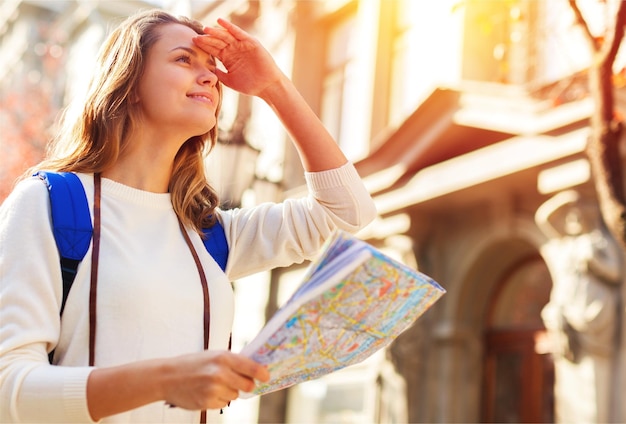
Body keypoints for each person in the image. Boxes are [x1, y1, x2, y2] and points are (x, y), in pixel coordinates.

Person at [0, 9, 377, 424]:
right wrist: (165, 380)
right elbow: (9, 388)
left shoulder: (211, 234)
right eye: (184, 59)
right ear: (130, 82)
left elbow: (348, 211)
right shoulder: (49, 203)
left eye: (212, 67)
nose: (211, 77)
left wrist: (273, 87)